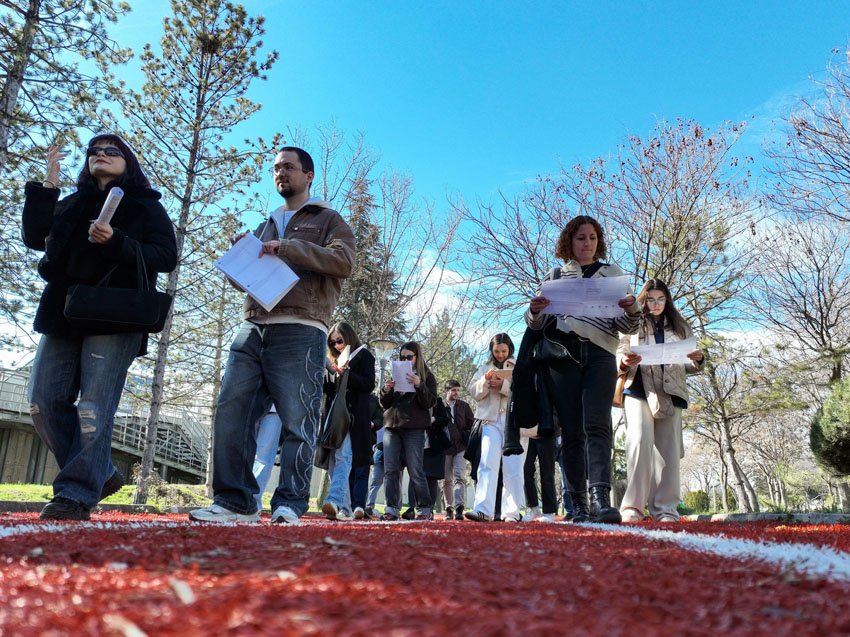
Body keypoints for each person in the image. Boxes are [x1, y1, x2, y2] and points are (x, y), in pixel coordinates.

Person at [190, 147, 355, 524]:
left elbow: (344, 262)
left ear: (308, 175)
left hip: (301, 326)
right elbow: (245, 282)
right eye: (276, 168)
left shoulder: (329, 219)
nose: (281, 173)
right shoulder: (265, 225)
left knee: (298, 419)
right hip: (252, 326)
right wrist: (239, 260)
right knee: (231, 412)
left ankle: (290, 503)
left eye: (289, 167)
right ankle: (236, 502)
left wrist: (290, 248)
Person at [23, 134, 177, 520]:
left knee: (94, 407)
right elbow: (33, 238)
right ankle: (102, 471)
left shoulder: (145, 205)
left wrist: (117, 242)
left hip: (114, 315)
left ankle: (75, 494)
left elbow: (166, 257)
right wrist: (49, 185)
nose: (101, 156)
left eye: (111, 152)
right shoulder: (72, 203)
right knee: (41, 401)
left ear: (128, 162)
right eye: (94, 152)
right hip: (62, 312)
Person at [527, 215, 641, 524]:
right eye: (580, 238)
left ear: (598, 241)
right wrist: (534, 310)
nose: (586, 243)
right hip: (562, 356)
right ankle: (576, 502)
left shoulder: (612, 274)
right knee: (572, 430)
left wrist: (631, 307)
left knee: (598, 425)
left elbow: (625, 324)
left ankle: (599, 498)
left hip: (600, 355)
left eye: (592, 237)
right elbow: (538, 323)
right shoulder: (555, 275)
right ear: (569, 242)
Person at [617, 279, 704, 522]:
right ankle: (632, 508)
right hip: (638, 388)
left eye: (661, 299)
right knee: (640, 441)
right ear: (644, 300)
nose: (655, 304)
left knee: (668, 450)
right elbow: (619, 352)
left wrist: (698, 360)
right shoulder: (630, 323)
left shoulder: (680, 326)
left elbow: (689, 364)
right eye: (650, 299)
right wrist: (623, 362)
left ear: (667, 301)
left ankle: (666, 510)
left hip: (671, 391)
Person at [465, 333, 524, 522]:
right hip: (490, 420)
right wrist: (486, 382)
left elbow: (526, 391)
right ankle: (483, 509)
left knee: (513, 467)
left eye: (504, 351)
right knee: (487, 464)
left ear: (510, 350)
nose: (500, 354)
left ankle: (512, 513)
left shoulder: (519, 366)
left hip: (513, 421)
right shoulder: (484, 368)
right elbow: (473, 391)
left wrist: (504, 386)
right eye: (496, 351)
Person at [321, 322, 376, 520]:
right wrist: (328, 373)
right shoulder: (334, 359)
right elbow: (329, 391)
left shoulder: (365, 356)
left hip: (352, 416)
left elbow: (369, 384)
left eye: (339, 341)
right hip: (334, 415)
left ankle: (334, 500)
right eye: (332, 342)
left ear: (349, 337)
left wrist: (347, 374)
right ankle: (343, 509)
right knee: (333, 460)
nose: (336, 345)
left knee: (344, 455)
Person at [379, 342, 437, 521]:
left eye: (409, 357)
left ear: (417, 357)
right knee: (390, 469)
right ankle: (391, 508)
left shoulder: (427, 376)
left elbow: (430, 402)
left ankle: (425, 508)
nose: (405, 360)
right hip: (392, 426)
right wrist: (386, 390)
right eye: (402, 357)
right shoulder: (395, 373)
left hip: (414, 428)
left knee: (415, 469)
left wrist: (420, 385)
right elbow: (384, 403)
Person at [441, 379, 475, 520]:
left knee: (459, 477)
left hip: (461, 446)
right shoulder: (439, 405)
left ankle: (459, 508)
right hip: (444, 447)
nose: (456, 393)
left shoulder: (464, 406)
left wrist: (467, 435)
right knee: (446, 480)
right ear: (446, 391)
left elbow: (472, 424)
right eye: (453, 390)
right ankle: (449, 508)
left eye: (458, 390)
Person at [521, 420, 560, 522]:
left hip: (548, 432)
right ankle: (533, 507)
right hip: (528, 434)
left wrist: (548, 426)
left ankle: (549, 511)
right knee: (525, 470)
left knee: (547, 472)